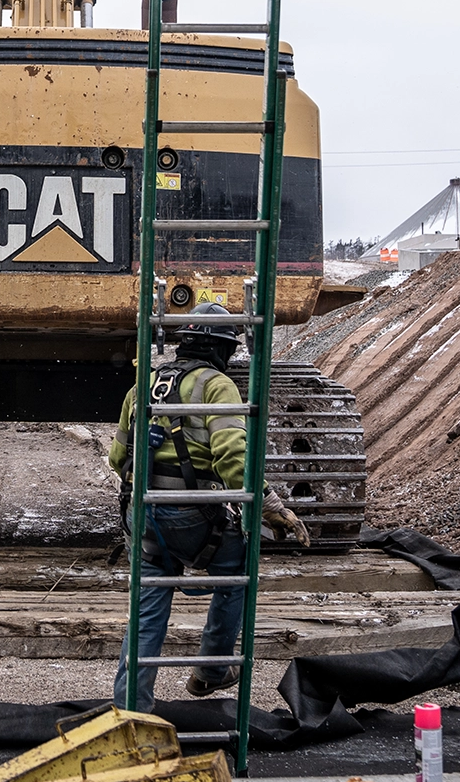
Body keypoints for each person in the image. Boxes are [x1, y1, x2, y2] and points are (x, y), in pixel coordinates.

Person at [107, 303, 310, 711]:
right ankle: (211, 671)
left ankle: (131, 710)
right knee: (236, 572)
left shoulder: (141, 384)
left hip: (143, 516)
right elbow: (233, 460)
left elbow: (117, 459)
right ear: (222, 349)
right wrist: (270, 504)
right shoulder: (217, 386)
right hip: (193, 517)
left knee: (146, 610)